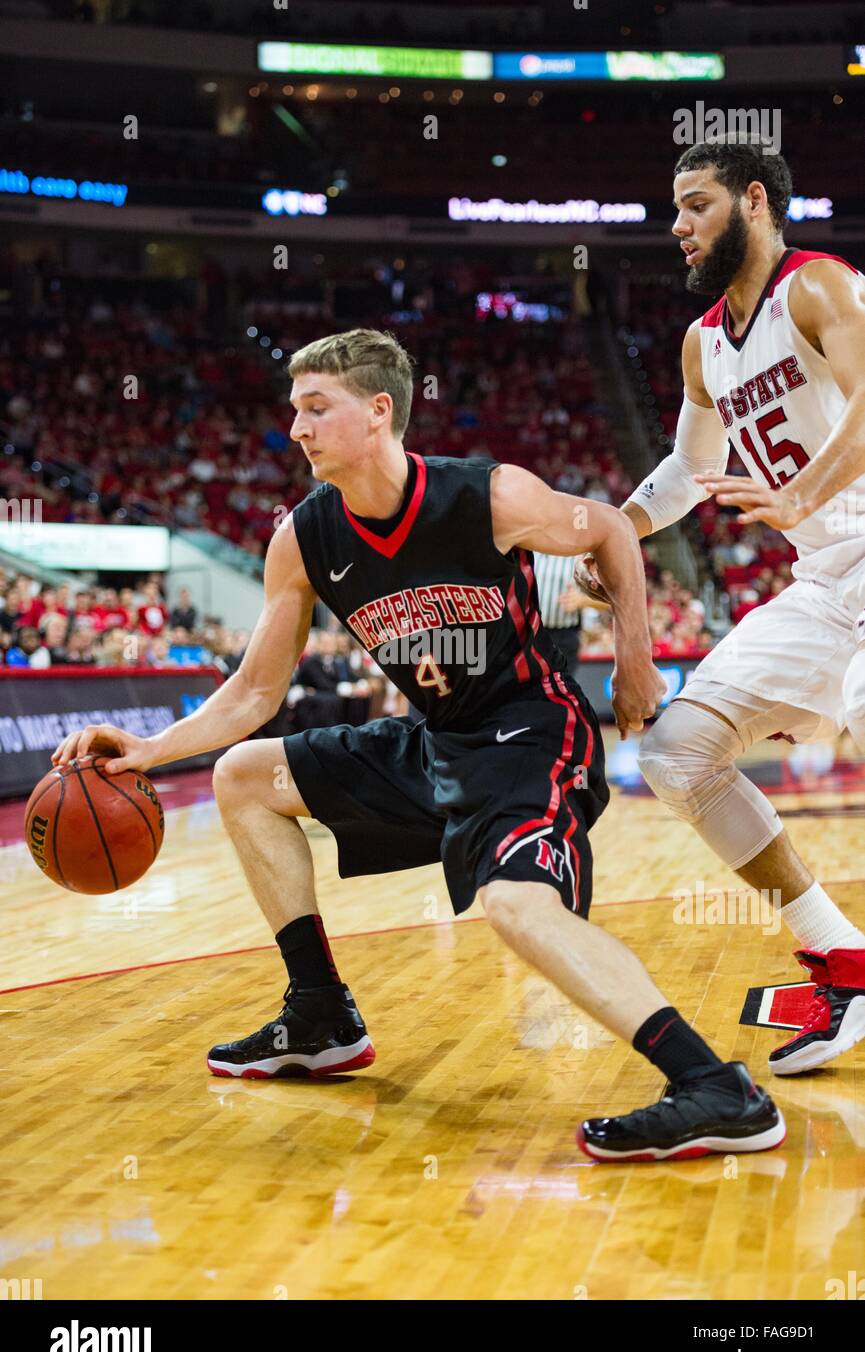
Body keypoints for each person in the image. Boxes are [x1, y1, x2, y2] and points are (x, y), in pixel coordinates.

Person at [52, 328, 784, 1162]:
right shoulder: (302, 538)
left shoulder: (488, 495)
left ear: (379, 412)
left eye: (315, 408)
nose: (296, 429)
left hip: (530, 731)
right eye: (294, 411)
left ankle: (714, 1087)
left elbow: (611, 530)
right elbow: (257, 691)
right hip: (438, 742)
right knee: (244, 775)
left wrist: (635, 662)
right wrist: (147, 749)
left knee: (514, 906)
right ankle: (320, 1014)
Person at [575, 136, 865, 1076]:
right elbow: (689, 473)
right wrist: (614, 529)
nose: (677, 226)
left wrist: (801, 494)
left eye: (695, 205)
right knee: (674, 753)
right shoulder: (703, 343)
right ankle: (845, 964)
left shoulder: (819, 285)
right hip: (825, 580)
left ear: (752, 201)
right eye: (673, 209)